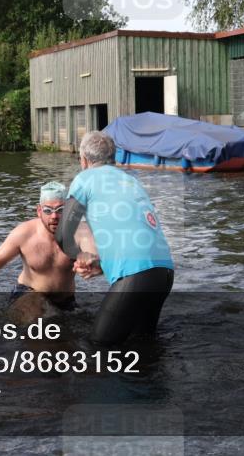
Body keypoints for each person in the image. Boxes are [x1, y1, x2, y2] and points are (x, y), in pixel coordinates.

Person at [54, 131, 175, 346]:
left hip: (136, 274)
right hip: (164, 272)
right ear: (114, 159)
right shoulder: (131, 180)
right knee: (144, 345)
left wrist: (80, 257)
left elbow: (63, 235)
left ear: (83, 160)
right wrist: (100, 263)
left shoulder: (85, 178)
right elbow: (127, 233)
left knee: (98, 347)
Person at [0, 182, 99, 311]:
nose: (54, 216)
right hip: (28, 295)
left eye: (60, 210)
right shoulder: (24, 233)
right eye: (47, 210)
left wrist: (91, 263)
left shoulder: (81, 232)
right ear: (39, 211)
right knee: (35, 313)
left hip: (64, 300)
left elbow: (93, 254)